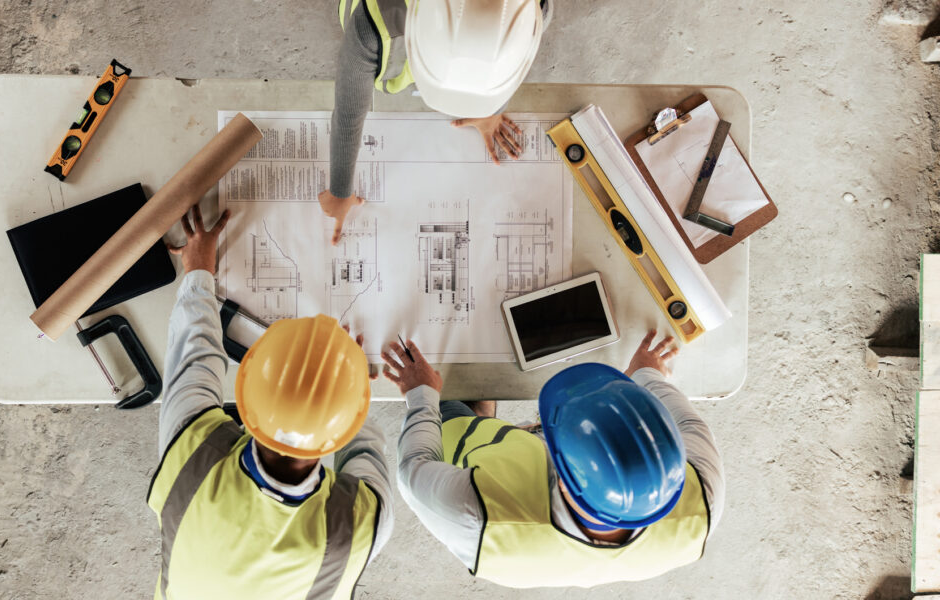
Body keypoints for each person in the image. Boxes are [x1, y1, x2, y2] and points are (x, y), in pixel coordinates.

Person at [147, 205, 394, 599]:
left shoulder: (191, 458)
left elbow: (195, 353)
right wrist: (343, 378)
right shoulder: (357, 527)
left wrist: (197, 270)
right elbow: (364, 445)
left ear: (246, 390)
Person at [385, 331, 724, 588]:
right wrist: (646, 375)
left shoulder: (478, 516)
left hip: (489, 479)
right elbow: (690, 425)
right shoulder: (704, 499)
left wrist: (421, 393)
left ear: (559, 471)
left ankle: (475, 417)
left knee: (455, 415)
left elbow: (413, 467)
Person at [321, 0, 555, 244]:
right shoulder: (372, 25)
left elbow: (510, 62)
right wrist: (339, 190)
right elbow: (349, 114)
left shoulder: (532, 12)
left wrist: (491, 109)